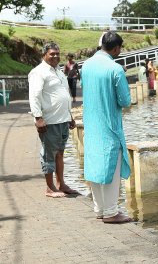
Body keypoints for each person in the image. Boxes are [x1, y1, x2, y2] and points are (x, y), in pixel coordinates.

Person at [81, 31, 132, 224]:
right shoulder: (115, 69)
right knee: (112, 166)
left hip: (91, 125)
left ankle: (100, 208)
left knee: (95, 165)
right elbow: (125, 100)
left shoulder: (86, 65)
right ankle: (111, 211)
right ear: (116, 48)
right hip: (109, 125)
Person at [28, 42, 78, 198]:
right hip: (49, 121)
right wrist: (38, 117)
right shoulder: (39, 72)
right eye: (52, 54)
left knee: (60, 153)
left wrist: (69, 116)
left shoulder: (59, 72)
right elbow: (34, 96)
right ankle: (49, 188)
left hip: (63, 120)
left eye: (57, 53)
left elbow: (63, 94)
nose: (55, 56)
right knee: (49, 155)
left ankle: (60, 184)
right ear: (44, 54)